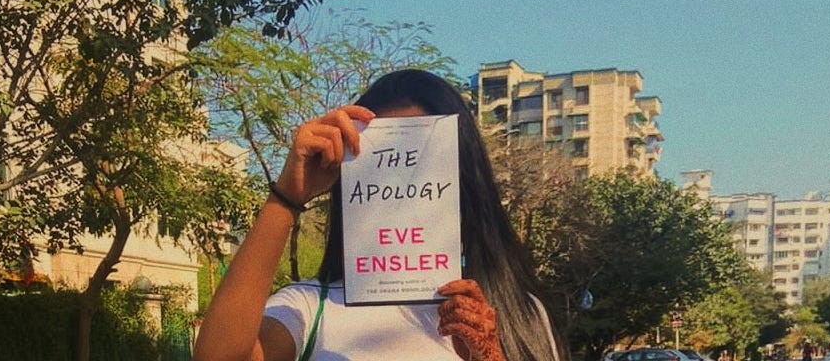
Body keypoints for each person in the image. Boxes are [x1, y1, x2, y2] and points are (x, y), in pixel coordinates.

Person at [194, 69, 560, 361]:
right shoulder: (310, 307)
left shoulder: (520, 314)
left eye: (422, 163)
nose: (400, 187)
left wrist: (491, 356)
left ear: (461, 179)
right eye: (379, 158)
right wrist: (287, 197)